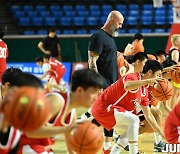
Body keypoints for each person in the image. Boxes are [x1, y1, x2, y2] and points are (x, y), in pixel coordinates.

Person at [17, 69, 104, 154]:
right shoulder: (56, 101)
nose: (96, 97)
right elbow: (31, 132)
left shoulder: (72, 114)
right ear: (80, 90)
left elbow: (70, 147)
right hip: (22, 145)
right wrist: (65, 129)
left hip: (39, 148)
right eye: (94, 92)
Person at [91, 60, 164, 154]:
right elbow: (127, 86)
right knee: (134, 120)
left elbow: (148, 115)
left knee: (132, 127)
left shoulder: (144, 91)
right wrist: (148, 81)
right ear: (149, 72)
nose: (158, 78)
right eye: (158, 75)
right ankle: (134, 152)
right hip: (103, 107)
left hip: (113, 111)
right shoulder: (133, 77)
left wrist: (160, 132)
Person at [85, 10, 124, 153]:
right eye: (119, 23)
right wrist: (98, 84)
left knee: (106, 115)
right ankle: (87, 138)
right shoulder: (98, 36)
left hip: (111, 83)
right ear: (111, 20)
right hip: (102, 84)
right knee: (106, 115)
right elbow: (91, 61)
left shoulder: (110, 38)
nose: (120, 26)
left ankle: (104, 145)